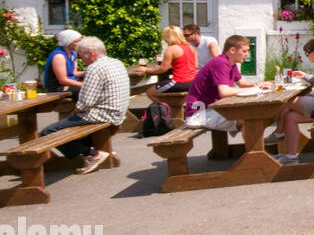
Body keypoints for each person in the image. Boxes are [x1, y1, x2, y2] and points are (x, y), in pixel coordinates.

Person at [37, 36, 128, 174]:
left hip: (101, 114)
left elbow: (86, 102)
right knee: (70, 126)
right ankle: (98, 150)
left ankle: (92, 154)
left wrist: (74, 112)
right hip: (118, 112)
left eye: (81, 56)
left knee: (47, 132)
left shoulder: (94, 68)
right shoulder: (117, 62)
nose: (81, 60)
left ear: (90, 53)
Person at [183, 35, 268, 136]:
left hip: (214, 109)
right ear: (232, 50)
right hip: (199, 114)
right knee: (248, 117)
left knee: (257, 113)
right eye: (244, 51)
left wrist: (258, 85)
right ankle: (254, 151)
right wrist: (255, 89)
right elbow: (225, 92)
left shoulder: (230, 62)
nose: (247, 54)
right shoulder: (221, 63)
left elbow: (241, 82)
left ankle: (256, 148)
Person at [145, 25, 197, 102]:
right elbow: (195, 65)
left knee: (150, 92)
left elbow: (163, 69)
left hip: (180, 81)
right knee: (164, 87)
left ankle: (167, 110)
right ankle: (171, 108)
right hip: (193, 81)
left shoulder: (171, 49)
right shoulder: (190, 47)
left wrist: (147, 70)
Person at [43, 28, 84, 92]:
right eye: (76, 41)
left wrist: (88, 72)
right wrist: (83, 84)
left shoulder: (73, 54)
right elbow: (62, 80)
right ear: (67, 42)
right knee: (86, 90)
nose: (79, 43)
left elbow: (74, 73)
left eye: (80, 41)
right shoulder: (59, 57)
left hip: (69, 85)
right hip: (57, 87)